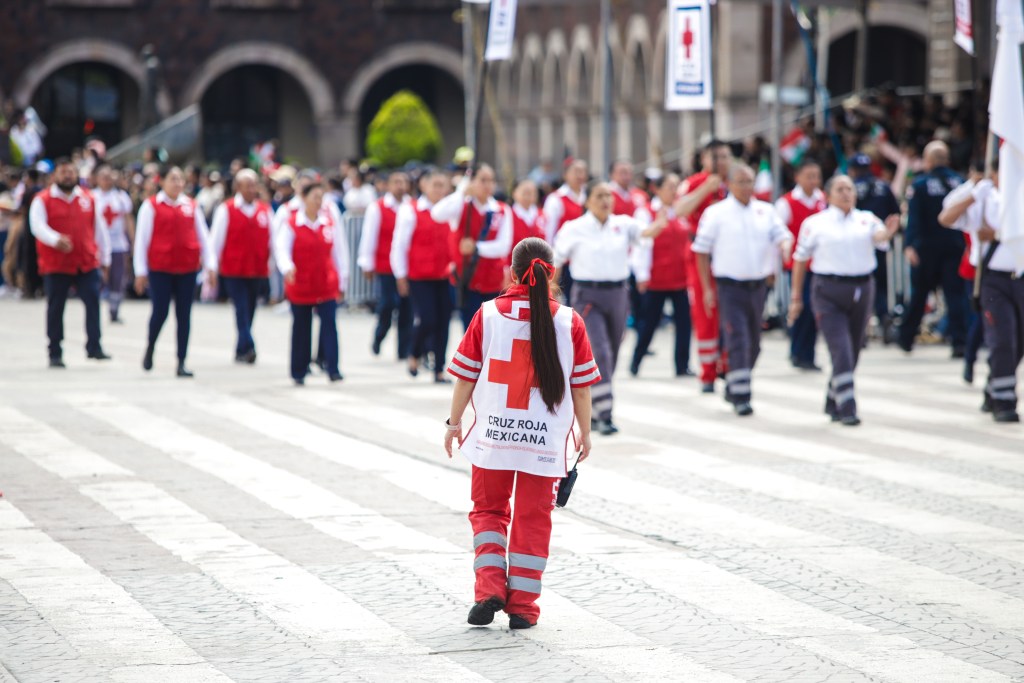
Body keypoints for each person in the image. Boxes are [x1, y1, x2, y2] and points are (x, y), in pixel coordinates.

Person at [444, 237, 600, 630]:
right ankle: (523, 608)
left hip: (493, 438)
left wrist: (454, 422)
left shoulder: (488, 314)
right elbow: (581, 387)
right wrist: (586, 431)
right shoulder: (570, 321)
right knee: (534, 518)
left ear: (511, 273)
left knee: (488, 512)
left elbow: (466, 376)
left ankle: (489, 589)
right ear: (553, 275)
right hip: (544, 442)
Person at [554, 182, 666, 434]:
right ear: (587, 200)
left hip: (618, 294)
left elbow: (646, 233)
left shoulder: (623, 224)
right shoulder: (575, 228)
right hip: (587, 296)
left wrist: (661, 220)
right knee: (600, 352)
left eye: (608, 196)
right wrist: (550, 294)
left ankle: (592, 406)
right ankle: (605, 414)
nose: (605, 200)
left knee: (612, 352)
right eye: (599, 195)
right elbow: (556, 260)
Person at [789, 176, 900, 426]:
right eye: (840, 189)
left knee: (854, 348)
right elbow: (800, 259)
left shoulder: (866, 219)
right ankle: (847, 406)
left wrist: (888, 233)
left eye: (849, 189)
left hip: (862, 288)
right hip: (828, 290)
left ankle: (833, 398)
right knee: (841, 349)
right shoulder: (815, 223)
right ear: (828, 195)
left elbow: (879, 237)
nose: (846, 193)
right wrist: (796, 297)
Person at [692, 164, 792, 416]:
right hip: (729, 286)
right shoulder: (716, 213)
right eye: (742, 182)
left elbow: (782, 234)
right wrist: (706, 288)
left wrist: (786, 244)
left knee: (755, 343)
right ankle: (741, 395)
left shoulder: (765, 211)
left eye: (750, 182)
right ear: (730, 184)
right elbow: (701, 252)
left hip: (757, 286)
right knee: (738, 338)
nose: (747, 187)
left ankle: (734, 379)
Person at [938, 167, 1022, 423]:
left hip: (1021, 277)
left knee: (1018, 341)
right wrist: (974, 194)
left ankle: (994, 386)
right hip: (994, 279)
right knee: (1002, 338)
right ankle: (1004, 401)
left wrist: (996, 234)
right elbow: (946, 218)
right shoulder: (984, 197)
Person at [28, 157, 112, 367]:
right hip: (57, 263)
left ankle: (94, 345)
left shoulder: (88, 198)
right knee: (56, 306)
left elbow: (99, 229)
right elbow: (37, 226)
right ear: (55, 175)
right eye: (64, 172)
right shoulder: (43, 199)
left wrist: (105, 258)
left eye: (71, 172)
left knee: (93, 301)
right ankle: (55, 350)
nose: (68, 176)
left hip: (86, 260)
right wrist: (55, 239)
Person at [133, 167, 216, 377]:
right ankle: (151, 347)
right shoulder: (151, 206)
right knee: (160, 312)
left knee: (184, 315)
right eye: (173, 179)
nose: (177, 183)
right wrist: (140, 271)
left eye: (180, 179)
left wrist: (210, 265)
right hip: (160, 268)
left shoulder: (191, 206)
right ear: (162, 182)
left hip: (186, 268)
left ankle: (181, 360)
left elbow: (203, 237)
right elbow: (142, 241)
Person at [274, 180, 348, 385]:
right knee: (301, 326)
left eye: (321, 198)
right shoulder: (291, 222)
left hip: (325, 282)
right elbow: (281, 248)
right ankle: (299, 369)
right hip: (301, 283)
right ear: (303, 199)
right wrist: (287, 267)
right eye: (314, 197)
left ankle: (333, 368)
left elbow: (339, 251)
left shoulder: (329, 221)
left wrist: (343, 279)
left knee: (329, 324)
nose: (318, 202)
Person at [898, 141, 967, 356]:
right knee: (955, 296)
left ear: (928, 161)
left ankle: (906, 338)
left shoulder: (920, 185)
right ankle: (960, 342)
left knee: (919, 295)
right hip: (955, 246)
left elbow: (914, 219)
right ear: (947, 160)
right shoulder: (961, 183)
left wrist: (909, 245)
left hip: (926, 249)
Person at [678, 139, 732, 393]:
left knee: (730, 311)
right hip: (699, 255)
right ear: (704, 159)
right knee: (705, 311)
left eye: (724, 156)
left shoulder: (736, 182)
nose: (720, 161)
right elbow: (679, 210)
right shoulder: (694, 182)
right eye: (715, 157)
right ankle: (708, 372)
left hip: (730, 254)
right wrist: (705, 189)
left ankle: (730, 365)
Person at [431, 165, 513, 329]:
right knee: (471, 329)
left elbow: (504, 246)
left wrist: (477, 247)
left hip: (492, 278)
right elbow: (437, 214)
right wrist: (461, 192)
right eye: (482, 180)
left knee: (491, 330)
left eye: (491, 180)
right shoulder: (461, 206)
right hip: (466, 279)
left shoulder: (502, 210)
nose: (487, 185)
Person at [392, 170, 454, 383]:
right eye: (434, 184)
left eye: (442, 185)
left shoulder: (450, 211)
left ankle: (438, 368)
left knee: (443, 321)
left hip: (445, 274)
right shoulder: (410, 210)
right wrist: (400, 275)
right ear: (424, 186)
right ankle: (415, 352)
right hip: (419, 275)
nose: (438, 189)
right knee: (427, 318)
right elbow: (399, 245)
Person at [629, 173, 693, 378]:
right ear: (658, 189)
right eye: (670, 186)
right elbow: (641, 245)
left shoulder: (680, 211)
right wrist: (641, 274)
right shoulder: (646, 212)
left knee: (684, 322)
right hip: (656, 278)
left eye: (676, 186)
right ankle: (636, 360)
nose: (674, 191)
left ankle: (682, 365)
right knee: (650, 322)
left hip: (680, 278)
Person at [210, 169, 273, 364]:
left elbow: (273, 239)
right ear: (238, 187)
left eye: (254, 185)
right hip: (234, 269)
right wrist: (212, 267)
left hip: (257, 268)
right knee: (241, 307)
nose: (251, 190)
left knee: (251, 308)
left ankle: (240, 348)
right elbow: (216, 240)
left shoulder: (264, 210)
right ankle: (249, 345)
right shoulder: (226, 209)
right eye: (247, 186)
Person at [775, 160, 827, 370]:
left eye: (816, 176)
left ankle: (808, 354)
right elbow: (779, 232)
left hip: (820, 265)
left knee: (815, 310)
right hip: (797, 266)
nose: (813, 181)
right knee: (801, 306)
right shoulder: (786, 203)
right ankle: (798, 351)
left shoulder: (823, 199)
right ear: (798, 177)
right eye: (809, 176)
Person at [358, 172, 413, 359]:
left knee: (407, 307)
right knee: (389, 303)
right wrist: (366, 262)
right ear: (388, 185)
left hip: (407, 266)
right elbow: (369, 235)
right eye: (397, 182)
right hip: (385, 265)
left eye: (404, 182)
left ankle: (403, 349)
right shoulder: (378, 207)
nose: (401, 186)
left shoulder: (411, 206)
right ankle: (380, 334)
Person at [850, 153, 900, 337]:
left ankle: (861, 325)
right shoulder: (884, 186)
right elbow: (895, 212)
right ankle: (883, 314)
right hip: (880, 242)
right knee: (880, 284)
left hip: (857, 246)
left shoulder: (851, 188)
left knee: (859, 284)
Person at [91, 163, 134, 324]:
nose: (107, 181)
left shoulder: (121, 197)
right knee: (98, 279)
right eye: (104, 178)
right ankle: (95, 310)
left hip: (118, 245)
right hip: (97, 246)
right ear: (97, 179)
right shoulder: (92, 196)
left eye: (109, 178)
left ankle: (114, 310)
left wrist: (132, 240)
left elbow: (128, 220)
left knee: (118, 279)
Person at [543, 159, 588, 303]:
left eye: (583, 172)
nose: (580, 176)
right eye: (576, 172)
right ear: (565, 175)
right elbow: (549, 233)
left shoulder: (589, 197)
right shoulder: (556, 199)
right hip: (564, 262)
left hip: (586, 260)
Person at [510, 179, 546, 249]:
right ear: (514, 193)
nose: (528, 196)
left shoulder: (543, 215)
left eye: (532, 193)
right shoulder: (508, 215)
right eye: (525, 192)